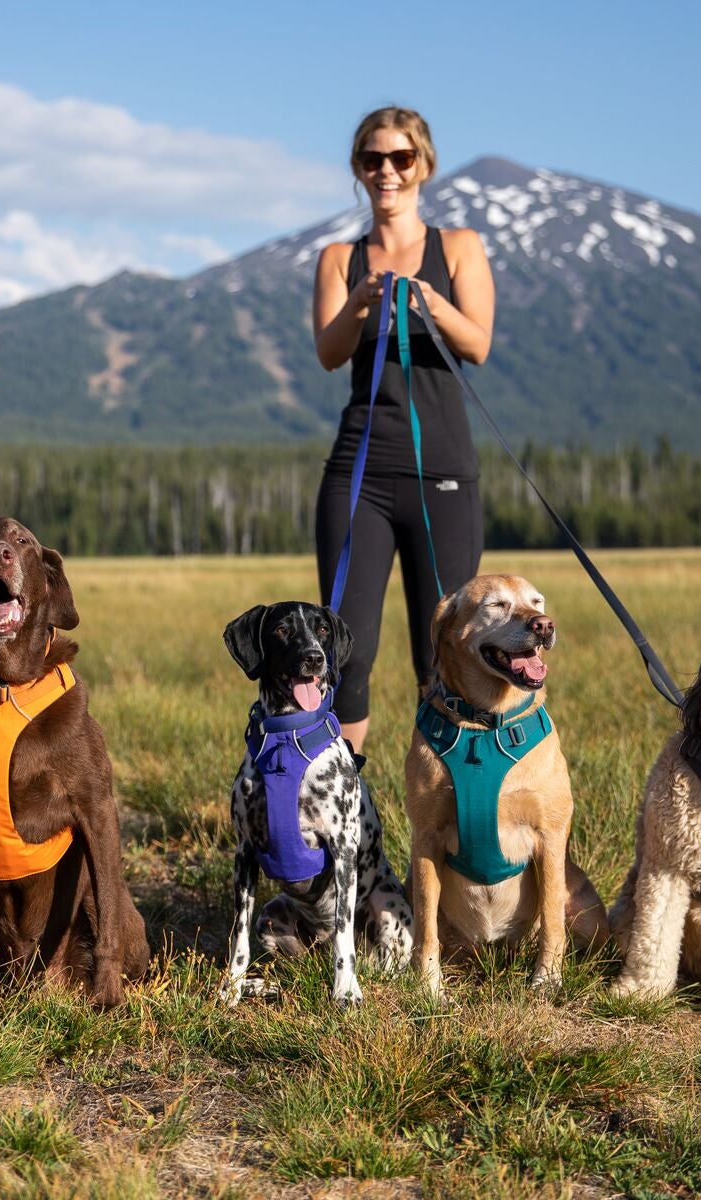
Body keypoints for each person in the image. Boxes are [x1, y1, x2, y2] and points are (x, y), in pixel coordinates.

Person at [311, 107, 495, 753]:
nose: (386, 171)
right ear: (358, 170)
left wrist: (429, 300)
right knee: (346, 653)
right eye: (372, 159)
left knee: (443, 656)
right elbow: (330, 352)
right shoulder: (339, 258)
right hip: (358, 475)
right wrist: (362, 299)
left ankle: (447, 818)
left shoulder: (460, 248)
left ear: (424, 164)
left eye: (400, 158)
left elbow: (478, 344)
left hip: (443, 473)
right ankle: (346, 814)